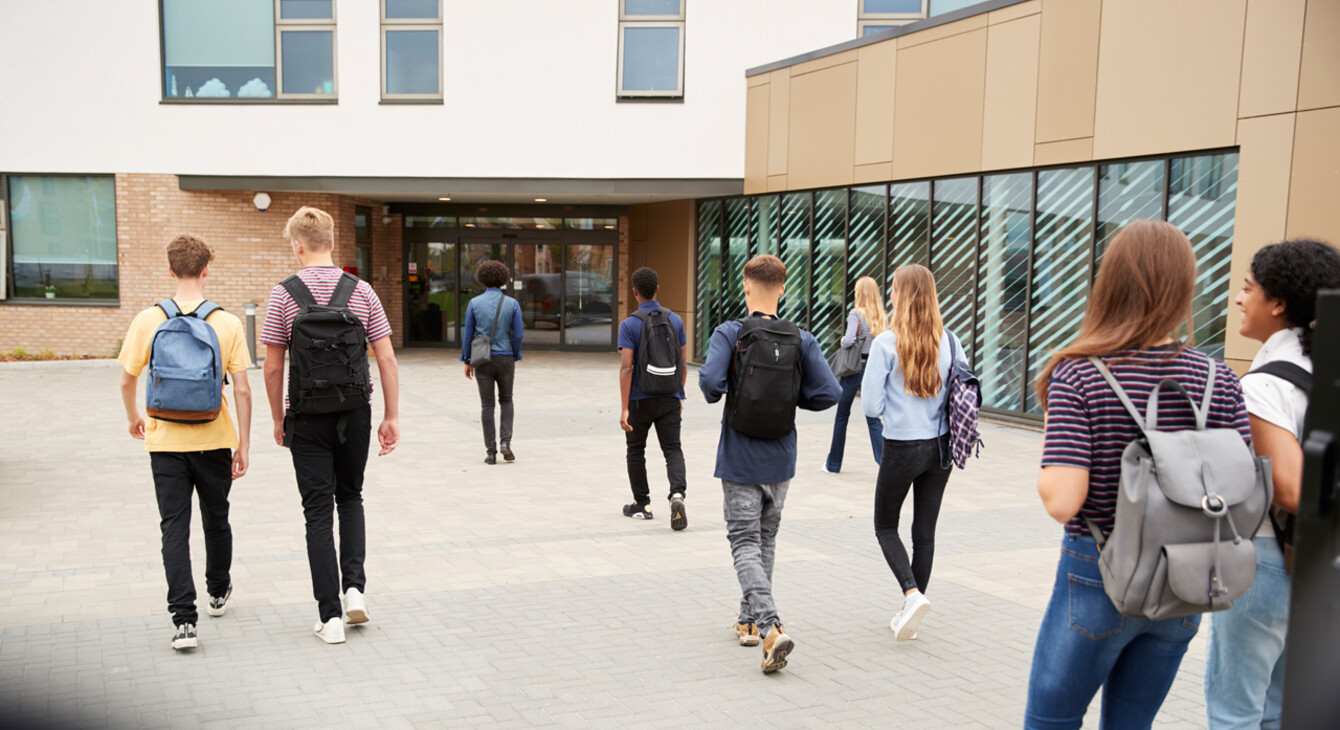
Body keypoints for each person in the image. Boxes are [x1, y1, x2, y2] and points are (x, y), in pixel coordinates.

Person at [1025, 220, 1252, 729]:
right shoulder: (1218, 377)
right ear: (1184, 287)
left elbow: (1063, 499)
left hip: (1099, 571)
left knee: (1050, 721)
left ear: (1111, 281)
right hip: (1188, 578)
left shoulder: (1080, 373)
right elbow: (1245, 489)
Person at [1204, 239, 1340, 729]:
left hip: (1267, 560)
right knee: (1281, 713)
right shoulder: (1323, 372)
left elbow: (1289, 487)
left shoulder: (1263, 386)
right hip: (1318, 567)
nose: (1239, 299)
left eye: (1247, 288)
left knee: (1235, 713)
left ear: (1278, 304)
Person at [261, 206, 400, 645]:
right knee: (351, 496)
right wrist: (391, 416)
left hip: (305, 415)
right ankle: (354, 589)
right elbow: (387, 358)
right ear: (333, 242)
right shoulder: (361, 291)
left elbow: (271, 366)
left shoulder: (283, 295)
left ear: (297, 245)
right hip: (355, 411)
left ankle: (330, 617)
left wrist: (277, 417)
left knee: (317, 511)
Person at [699, 254, 841, 673]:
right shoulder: (803, 339)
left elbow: (709, 382)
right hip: (781, 458)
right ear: (783, 288)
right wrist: (790, 399)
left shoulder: (731, 332)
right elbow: (830, 393)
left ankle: (770, 626)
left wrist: (726, 393)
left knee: (744, 542)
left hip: (740, 456)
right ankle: (747, 621)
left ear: (745, 286)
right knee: (766, 541)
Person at [117, 235, 252, 651]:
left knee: (174, 527)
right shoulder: (226, 323)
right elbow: (243, 391)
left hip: (164, 441)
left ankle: (184, 622)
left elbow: (127, 379)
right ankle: (217, 591)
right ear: (207, 268)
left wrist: (135, 419)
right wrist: (243, 445)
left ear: (171, 270)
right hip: (214, 440)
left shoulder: (147, 320)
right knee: (217, 518)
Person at [861, 265, 968, 641]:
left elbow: (871, 407)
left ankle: (910, 595)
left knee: (884, 525)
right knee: (924, 532)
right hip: (941, 448)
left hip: (902, 446)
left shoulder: (886, 344)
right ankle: (912, 610)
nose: (890, 294)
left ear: (901, 296)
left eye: (893, 289)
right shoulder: (952, 341)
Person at [618, 267, 689, 528]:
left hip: (639, 399)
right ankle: (677, 494)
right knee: (672, 448)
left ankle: (642, 504)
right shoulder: (676, 321)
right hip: (669, 396)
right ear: (658, 289)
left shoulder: (629, 324)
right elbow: (682, 362)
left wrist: (624, 408)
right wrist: (678, 394)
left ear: (634, 292)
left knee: (636, 450)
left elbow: (627, 367)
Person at [461, 260, 524, 465]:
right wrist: (515, 354)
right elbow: (518, 334)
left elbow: (468, 333)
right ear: (503, 279)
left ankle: (490, 452)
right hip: (505, 357)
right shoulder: (512, 304)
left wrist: (467, 360)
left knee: (487, 405)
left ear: (482, 279)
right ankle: (506, 442)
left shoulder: (474, 303)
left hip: (482, 359)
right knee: (506, 400)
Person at [824, 276, 886, 473]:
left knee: (842, 416)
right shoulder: (880, 315)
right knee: (873, 417)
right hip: (872, 369)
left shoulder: (855, 313)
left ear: (860, 293)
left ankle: (833, 465)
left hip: (853, 369)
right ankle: (884, 462)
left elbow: (849, 340)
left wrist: (842, 340)